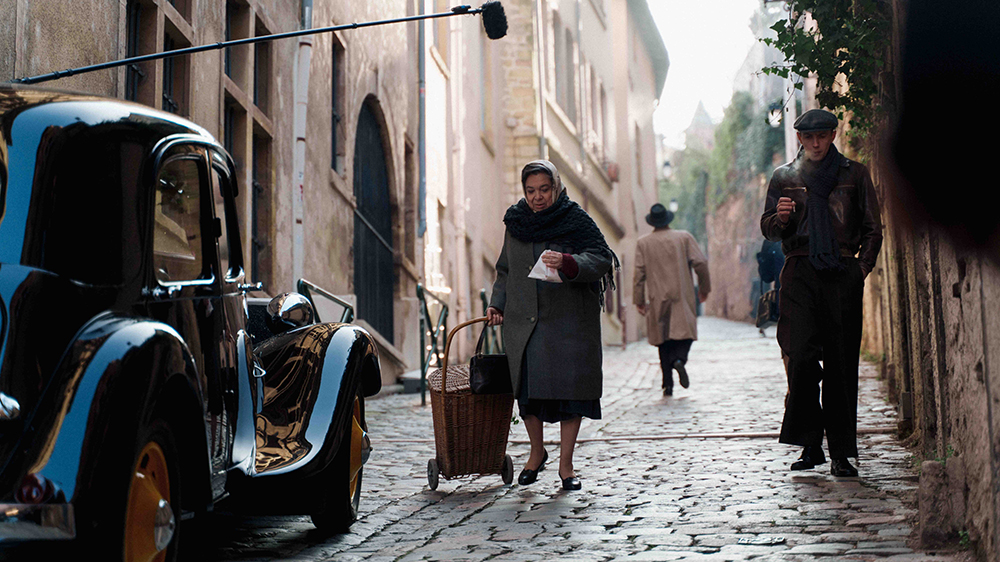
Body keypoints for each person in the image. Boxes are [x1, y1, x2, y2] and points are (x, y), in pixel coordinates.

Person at [760, 109, 883, 477]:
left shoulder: (855, 173)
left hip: (841, 271)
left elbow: (873, 229)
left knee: (841, 363)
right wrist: (780, 219)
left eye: (822, 136)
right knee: (799, 356)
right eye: (808, 137)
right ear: (799, 139)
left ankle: (841, 453)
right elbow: (768, 229)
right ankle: (810, 443)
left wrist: (859, 270)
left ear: (832, 135)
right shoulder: (784, 177)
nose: (815, 143)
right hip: (799, 271)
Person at [486, 160, 617, 491]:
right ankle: (536, 453)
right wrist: (496, 303)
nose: (538, 197)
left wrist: (570, 262)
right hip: (524, 322)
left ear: (556, 187)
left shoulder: (575, 219)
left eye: (544, 189)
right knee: (528, 394)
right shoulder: (515, 222)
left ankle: (566, 466)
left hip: (569, 322)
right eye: (531, 191)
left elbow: (601, 258)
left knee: (571, 394)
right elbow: (504, 270)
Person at [633, 203, 711, 396]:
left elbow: (639, 274)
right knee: (686, 333)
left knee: (663, 339)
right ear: (668, 219)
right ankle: (680, 360)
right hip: (681, 293)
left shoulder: (643, 243)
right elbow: (700, 262)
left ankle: (667, 384)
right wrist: (704, 288)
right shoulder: (683, 238)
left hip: (657, 295)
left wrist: (639, 299)